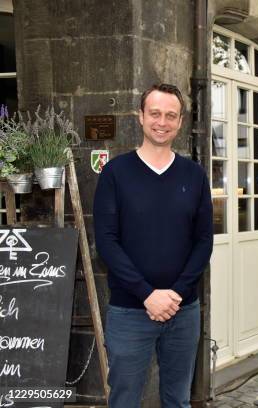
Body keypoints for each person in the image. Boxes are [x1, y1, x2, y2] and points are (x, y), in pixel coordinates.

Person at [94, 83, 213, 408]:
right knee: (125, 400)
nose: (162, 121)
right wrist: (146, 293)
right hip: (130, 310)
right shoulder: (116, 173)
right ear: (141, 117)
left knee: (178, 399)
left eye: (170, 115)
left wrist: (176, 294)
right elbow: (106, 241)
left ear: (180, 121)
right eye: (155, 113)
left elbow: (203, 240)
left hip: (183, 310)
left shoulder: (195, 175)